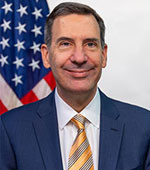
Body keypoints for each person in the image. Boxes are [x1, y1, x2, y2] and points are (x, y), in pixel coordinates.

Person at [0, 2, 150, 170]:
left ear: (104, 55)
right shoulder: (9, 130)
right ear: (46, 56)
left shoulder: (145, 127)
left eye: (90, 44)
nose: (79, 57)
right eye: (65, 43)